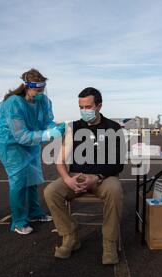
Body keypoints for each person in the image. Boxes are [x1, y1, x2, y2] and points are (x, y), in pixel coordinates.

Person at [44, 87, 125, 265]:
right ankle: (70, 236)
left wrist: (96, 177)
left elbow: (119, 164)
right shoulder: (74, 127)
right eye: (81, 107)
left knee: (115, 190)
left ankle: (109, 242)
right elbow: (60, 159)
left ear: (99, 106)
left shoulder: (113, 128)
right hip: (77, 175)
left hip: (103, 178)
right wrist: (67, 179)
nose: (84, 111)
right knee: (51, 191)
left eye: (88, 107)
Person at [0, 68, 66, 235]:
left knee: (32, 176)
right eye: (37, 90)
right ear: (27, 86)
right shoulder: (14, 103)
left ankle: (35, 213)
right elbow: (20, 135)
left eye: (42, 89)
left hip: (32, 137)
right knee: (18, 179)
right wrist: (47, 134)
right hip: (9, 141)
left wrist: (56, 129)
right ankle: (18, 221)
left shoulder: (43, 101)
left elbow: (47, 121)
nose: (40, 93)